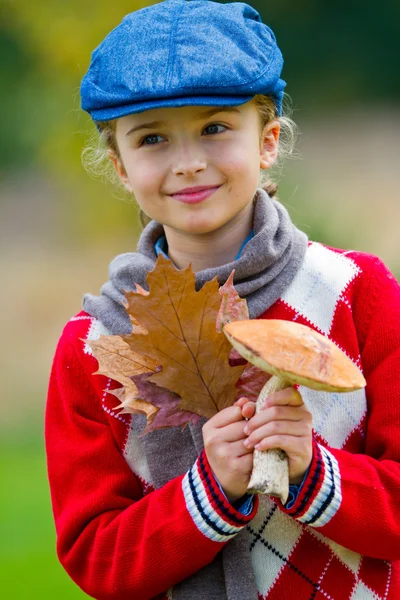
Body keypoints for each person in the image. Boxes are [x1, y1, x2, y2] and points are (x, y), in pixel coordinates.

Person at [45, 1, 400, 598]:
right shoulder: (93, 346)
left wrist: (314, 472)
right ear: (121, 166)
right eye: (152, 138)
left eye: (214, 128)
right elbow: (97, 559)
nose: (188, 164)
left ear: (266, 141)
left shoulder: (354, 293)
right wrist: (205, 493)